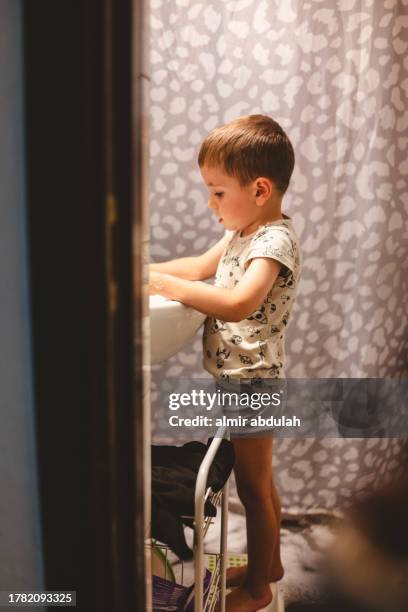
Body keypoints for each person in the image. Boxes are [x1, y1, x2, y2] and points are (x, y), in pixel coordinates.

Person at [149, 114, 301, 612]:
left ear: (260, 189)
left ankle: (258, 589)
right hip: (241, 380)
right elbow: (197, 268)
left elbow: (238, 303)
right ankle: (270, 566)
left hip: (254, 385)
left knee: (254, 489)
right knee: (260, 482)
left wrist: (169, 287)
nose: (211, 204)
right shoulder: (244, 230)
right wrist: (141, 270)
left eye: (217, 193)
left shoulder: (272, 241)